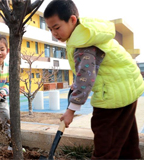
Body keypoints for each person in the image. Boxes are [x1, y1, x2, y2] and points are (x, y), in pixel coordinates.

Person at [44, 0, 144, 159]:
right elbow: (92, 68)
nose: (54, 33)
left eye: (56, 27)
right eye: (50, 29)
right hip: (129, 87)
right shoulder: (88, 31)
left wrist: (71, 110)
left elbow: (86, 77)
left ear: (72, 20)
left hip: (113, 95)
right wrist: (77, 83)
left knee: (105, 141)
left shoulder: (84, 44)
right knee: (126, 139)